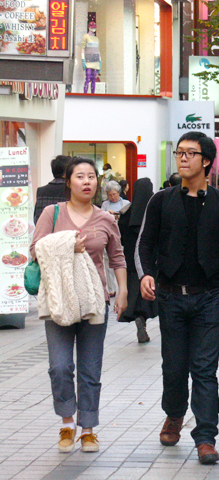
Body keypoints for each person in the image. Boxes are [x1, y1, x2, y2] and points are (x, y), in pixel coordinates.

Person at [136, 131, 219, 464]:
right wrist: (147, 274)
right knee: (174, 367)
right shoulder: (161, 200)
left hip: (208, 296)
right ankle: (174, 413)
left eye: (190, 153)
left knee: (204, 369)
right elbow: (144, 244)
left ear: (207, 161)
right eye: (179, 153)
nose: (183, 158)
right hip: (170, 296)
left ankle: (206, 437)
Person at [30, 156, 127, 453]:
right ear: (68, 181)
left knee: (89, 369)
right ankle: (66, 421)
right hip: (59, 300)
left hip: (95, 301)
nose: (87, 182)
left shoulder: (106, 218)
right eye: (80, 176)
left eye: (91, 177)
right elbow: (35, 249)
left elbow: (117, 258)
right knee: (60, 367)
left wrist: (122, 291)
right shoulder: (52, 212)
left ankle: (87, 428)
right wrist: (66, 244)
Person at [117, 178, 157, 343]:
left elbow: (120, 237)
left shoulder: (127, 213)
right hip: (150, 260)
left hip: (130, 261)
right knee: (149, 292)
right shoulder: (155, 212)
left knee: (134, 290)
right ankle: (143, 316)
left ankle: (138, 316)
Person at [34, 155, 71, 224]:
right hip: (66, 233)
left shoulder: (41, 191)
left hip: (45, 232)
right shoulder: (72, 191)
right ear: (67, 172)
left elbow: (36, 219)